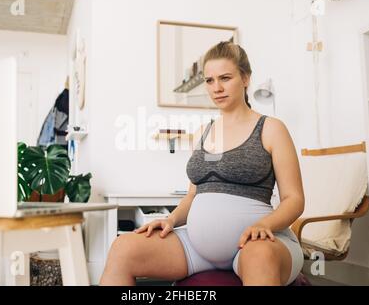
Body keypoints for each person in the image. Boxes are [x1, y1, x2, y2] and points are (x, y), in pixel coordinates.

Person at [100, 41, 305, 286]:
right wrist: (170, 220)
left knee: (258, 255)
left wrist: (263, 224)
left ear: (246, 78)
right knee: (123, 248)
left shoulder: (270, 128)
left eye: (225, 78)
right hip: (196, 249)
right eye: (209, 80)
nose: (216, 88)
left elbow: (294, 199)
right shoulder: (204, 133)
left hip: (255, 244)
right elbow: (193, 195)